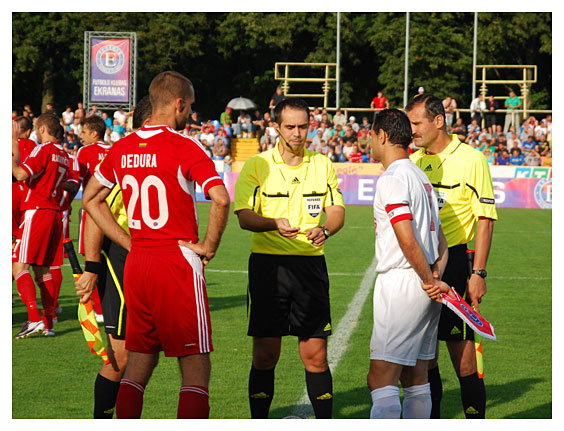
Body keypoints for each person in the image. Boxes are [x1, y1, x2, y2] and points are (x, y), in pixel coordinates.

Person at [82, 70, 230, 419]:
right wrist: (208, 246)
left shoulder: (123, 146)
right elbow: (221, 199)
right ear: (178, 104)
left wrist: (129, 241)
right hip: (175, 262)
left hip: (139, 263)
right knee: (195, 368)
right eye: (190, 107)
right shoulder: (184, 145)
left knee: (138, 364)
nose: (190, 114)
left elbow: (90, 200)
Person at [233, 97, 345, 419]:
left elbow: (336, 210)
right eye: (290, 127)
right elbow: (243, 215)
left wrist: (326, 229)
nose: (297, 133)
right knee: (266, 355)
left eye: (303, 126)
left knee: (316, 355)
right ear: (276, 127)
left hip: (310, 266)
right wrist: (273, 223)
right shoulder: (258, 165)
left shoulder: (322, 164)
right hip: (269, 267)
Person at [407, 94, 497, 419]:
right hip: (419, 268)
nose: (411, 130)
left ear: (438, 121)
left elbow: (485, 219)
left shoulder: (471, 159)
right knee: (425, 356)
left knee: (464, 358)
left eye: (417, 123)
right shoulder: (413, 162)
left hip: (456, 264)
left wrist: (479, 273)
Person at [367, 108, 450, 419]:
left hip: (404, 283)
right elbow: (442, 240)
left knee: (380, 378)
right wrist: (435, 275)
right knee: (416, 376)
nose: (370, 142)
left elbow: (407, 239)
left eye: (372, 136)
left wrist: (428, 277)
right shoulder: (421, 178)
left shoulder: (393, 178)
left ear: (383, 136)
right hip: (426, 285)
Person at [75, 95, 152, 419]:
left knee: (146, 354)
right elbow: (93, 208)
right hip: (120, 257)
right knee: (121, 356)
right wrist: (92, 268)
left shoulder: (165, 152)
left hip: (150, 259)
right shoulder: (127, 156)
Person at [12, 114, 78, 338]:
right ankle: (48, 323)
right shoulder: (64, 155)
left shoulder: (44, 149)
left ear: (40, 128)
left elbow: (21, 173)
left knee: (19, 267)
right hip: (54, 214)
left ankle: (32, 318)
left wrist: (11, 159)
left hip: (37, 211)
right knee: (43, 271)